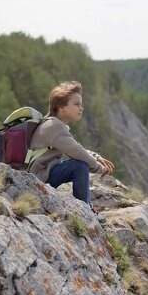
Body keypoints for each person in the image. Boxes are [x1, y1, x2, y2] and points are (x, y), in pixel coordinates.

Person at [27, 81, 115, 211]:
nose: (81, 108)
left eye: (81, 104)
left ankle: (85, 208)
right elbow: (77, 152)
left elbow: (74, 147)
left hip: (40, 175)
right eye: (76, 104)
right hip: (37, 179)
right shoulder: (55, 127)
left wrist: (95, 156)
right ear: (61, 107)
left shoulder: (52, 124)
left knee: (79, 163)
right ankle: (85, 209)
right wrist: (99, 168)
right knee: (79, 166)